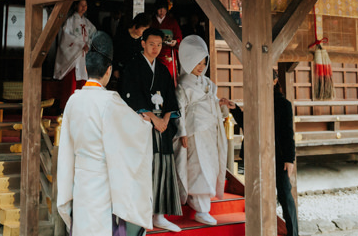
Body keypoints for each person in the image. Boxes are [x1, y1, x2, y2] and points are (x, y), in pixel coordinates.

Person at [56, 31, 154, 236]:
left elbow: (66, 146)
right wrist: (146, 124)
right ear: (109, 70)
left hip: (81, 181)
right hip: (102, 181)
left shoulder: (73, 101)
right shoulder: (110, 102)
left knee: (84, 226)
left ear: (85, 68)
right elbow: (135, 133)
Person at [119, 28, 182, 233]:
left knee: (163, 167)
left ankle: (161, 214)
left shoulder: (163, 69)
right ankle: (144, 212)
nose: (156, 48)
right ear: (143, 43)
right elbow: (131, 95)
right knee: (146, 168)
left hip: (161, 127)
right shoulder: (133, 67)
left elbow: (171, 98)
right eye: (152, 44)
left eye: (159, 45)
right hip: (143, 124)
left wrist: (164, 118)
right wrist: (153, 118)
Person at [230, 69, 298, 236]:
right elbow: (249, 125)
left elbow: (288, 133)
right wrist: (235, 110)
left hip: (279, 157)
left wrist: (289, 159)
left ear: (275, 81)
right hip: (256, 155)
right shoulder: (256, 101)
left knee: (285, 197)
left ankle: (293, 233)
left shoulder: (284, 104)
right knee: (257, 197)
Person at [174, 35, 229, 226]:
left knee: (209, 165)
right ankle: (200, 209)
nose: (201, 66)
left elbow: (211, 102)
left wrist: (219, 103)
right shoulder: (183, 85)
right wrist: (182, 132)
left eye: (203, 62)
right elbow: (180, 110)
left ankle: (202, 206)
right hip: (194, 129)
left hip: (209, 130)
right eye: (197, 62)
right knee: (198, 167)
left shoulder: (207, 83)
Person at [53, 0, 96, 111]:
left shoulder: (87, 23)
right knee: (72, 81)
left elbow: (94, 35)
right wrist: (81, 44)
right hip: (73, 56)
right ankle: (68, 108)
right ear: (76, 5)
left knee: (83, 81)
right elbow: (66, 38)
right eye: (81, 5)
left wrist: (88, 45)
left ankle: (81, 108)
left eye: (85, 5)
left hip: (84, 56)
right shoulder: (70, 21)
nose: (83, 7)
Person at [149, 0, 182, 84]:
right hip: (154, 52)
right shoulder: (151, 21)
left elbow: (179, 37)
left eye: (164, 9)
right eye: (159, 9)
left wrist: (176, 42)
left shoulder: (172, 22)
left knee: (169, 77)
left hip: (168, 53)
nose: (162, 11)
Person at [112, 12, 152, 79]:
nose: (144, 32)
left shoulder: (144, 39)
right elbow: (115, 53)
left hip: (139, 73)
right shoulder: (122, 35)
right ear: (136, 26)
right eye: (143, 29)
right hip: (123, 71)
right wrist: (116, 69)